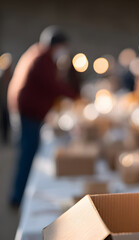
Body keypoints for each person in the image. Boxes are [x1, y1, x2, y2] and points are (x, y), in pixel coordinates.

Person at [7, 26, 78, 206]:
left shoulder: (37, 54)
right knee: (28, 152)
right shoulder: (42, 59)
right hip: (28, 112)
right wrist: (74, 96)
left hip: (27, 109)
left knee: (27, 151)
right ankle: (18, 197)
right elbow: (52, 86)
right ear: (56, 45)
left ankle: (19, 194)